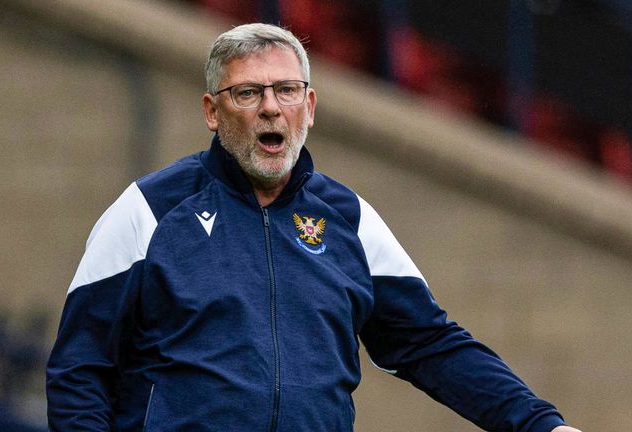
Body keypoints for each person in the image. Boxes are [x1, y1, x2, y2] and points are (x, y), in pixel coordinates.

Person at [46, 23, 582, 432]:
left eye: (286, 90)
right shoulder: (148, 210)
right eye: (248, 93)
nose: (271, 109)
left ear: (310, 106)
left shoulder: (348, 218)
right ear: (212, 111)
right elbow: (79, 371)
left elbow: (430, 345)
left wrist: (539, 424)